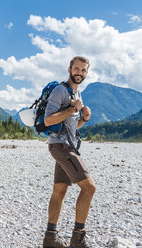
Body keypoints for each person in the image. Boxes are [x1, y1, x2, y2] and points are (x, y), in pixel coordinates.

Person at [42, 56, 96, 248]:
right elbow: (49, 121)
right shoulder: (60, 91)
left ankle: (50, 239)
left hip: (67, 144)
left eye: (83, 70)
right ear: (69, 69)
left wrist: (84, 119)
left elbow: (70, 126)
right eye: (76, 69)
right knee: (90, 188)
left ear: (86, 73)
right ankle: (78, 240)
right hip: (61, 147)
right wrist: (73, 107)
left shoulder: (77, 92)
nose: (79, 73)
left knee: (59, 190)